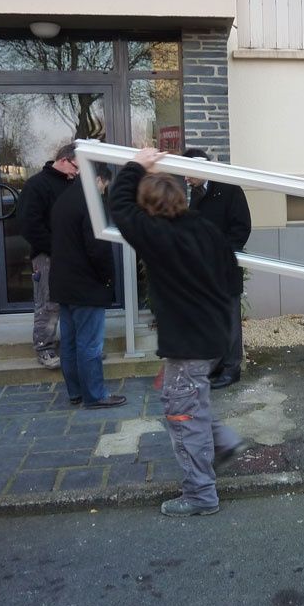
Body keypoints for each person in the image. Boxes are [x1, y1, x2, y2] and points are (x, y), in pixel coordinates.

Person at [109, 148, 247, 517]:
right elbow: (233, 278)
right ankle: (222, 444)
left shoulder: (157, 235)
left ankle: (200, 494)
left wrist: (136, 165)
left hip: (190, 343)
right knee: (186, 401)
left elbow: (119, 207)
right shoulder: (204, 228)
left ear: (149, 207)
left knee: (181, 414)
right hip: (214, 339)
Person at [49, 163, 126, 409]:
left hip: (64, 284)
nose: (104, 191)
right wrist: (107, 279)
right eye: (104, 186)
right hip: (86, 285)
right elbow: (98, 248)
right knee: (90, 344)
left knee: (70, 344)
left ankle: (76, 392)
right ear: (99, 180)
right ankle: (95, 395)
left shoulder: (63, 199)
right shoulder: (91, 203)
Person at [181, 147, 252, 389]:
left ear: (200, 168)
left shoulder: (229, 189)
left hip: (225, 267)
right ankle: (218, 364)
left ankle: (232, 369)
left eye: (187, 174)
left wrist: (222, 255)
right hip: (205, 269)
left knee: (229, 319)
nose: (185, 179)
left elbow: (242, 227)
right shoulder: (198, 192)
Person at [16, 141, 78, 370]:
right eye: (75, 167)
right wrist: (56, 248)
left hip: (72, 255)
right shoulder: (37, 185)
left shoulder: (73, 184)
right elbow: (29, 225)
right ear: (63, 160)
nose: (77, 173)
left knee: (74, 302)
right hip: (47, 255)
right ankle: (44, 348)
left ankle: (78, 349)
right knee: (48, 302)